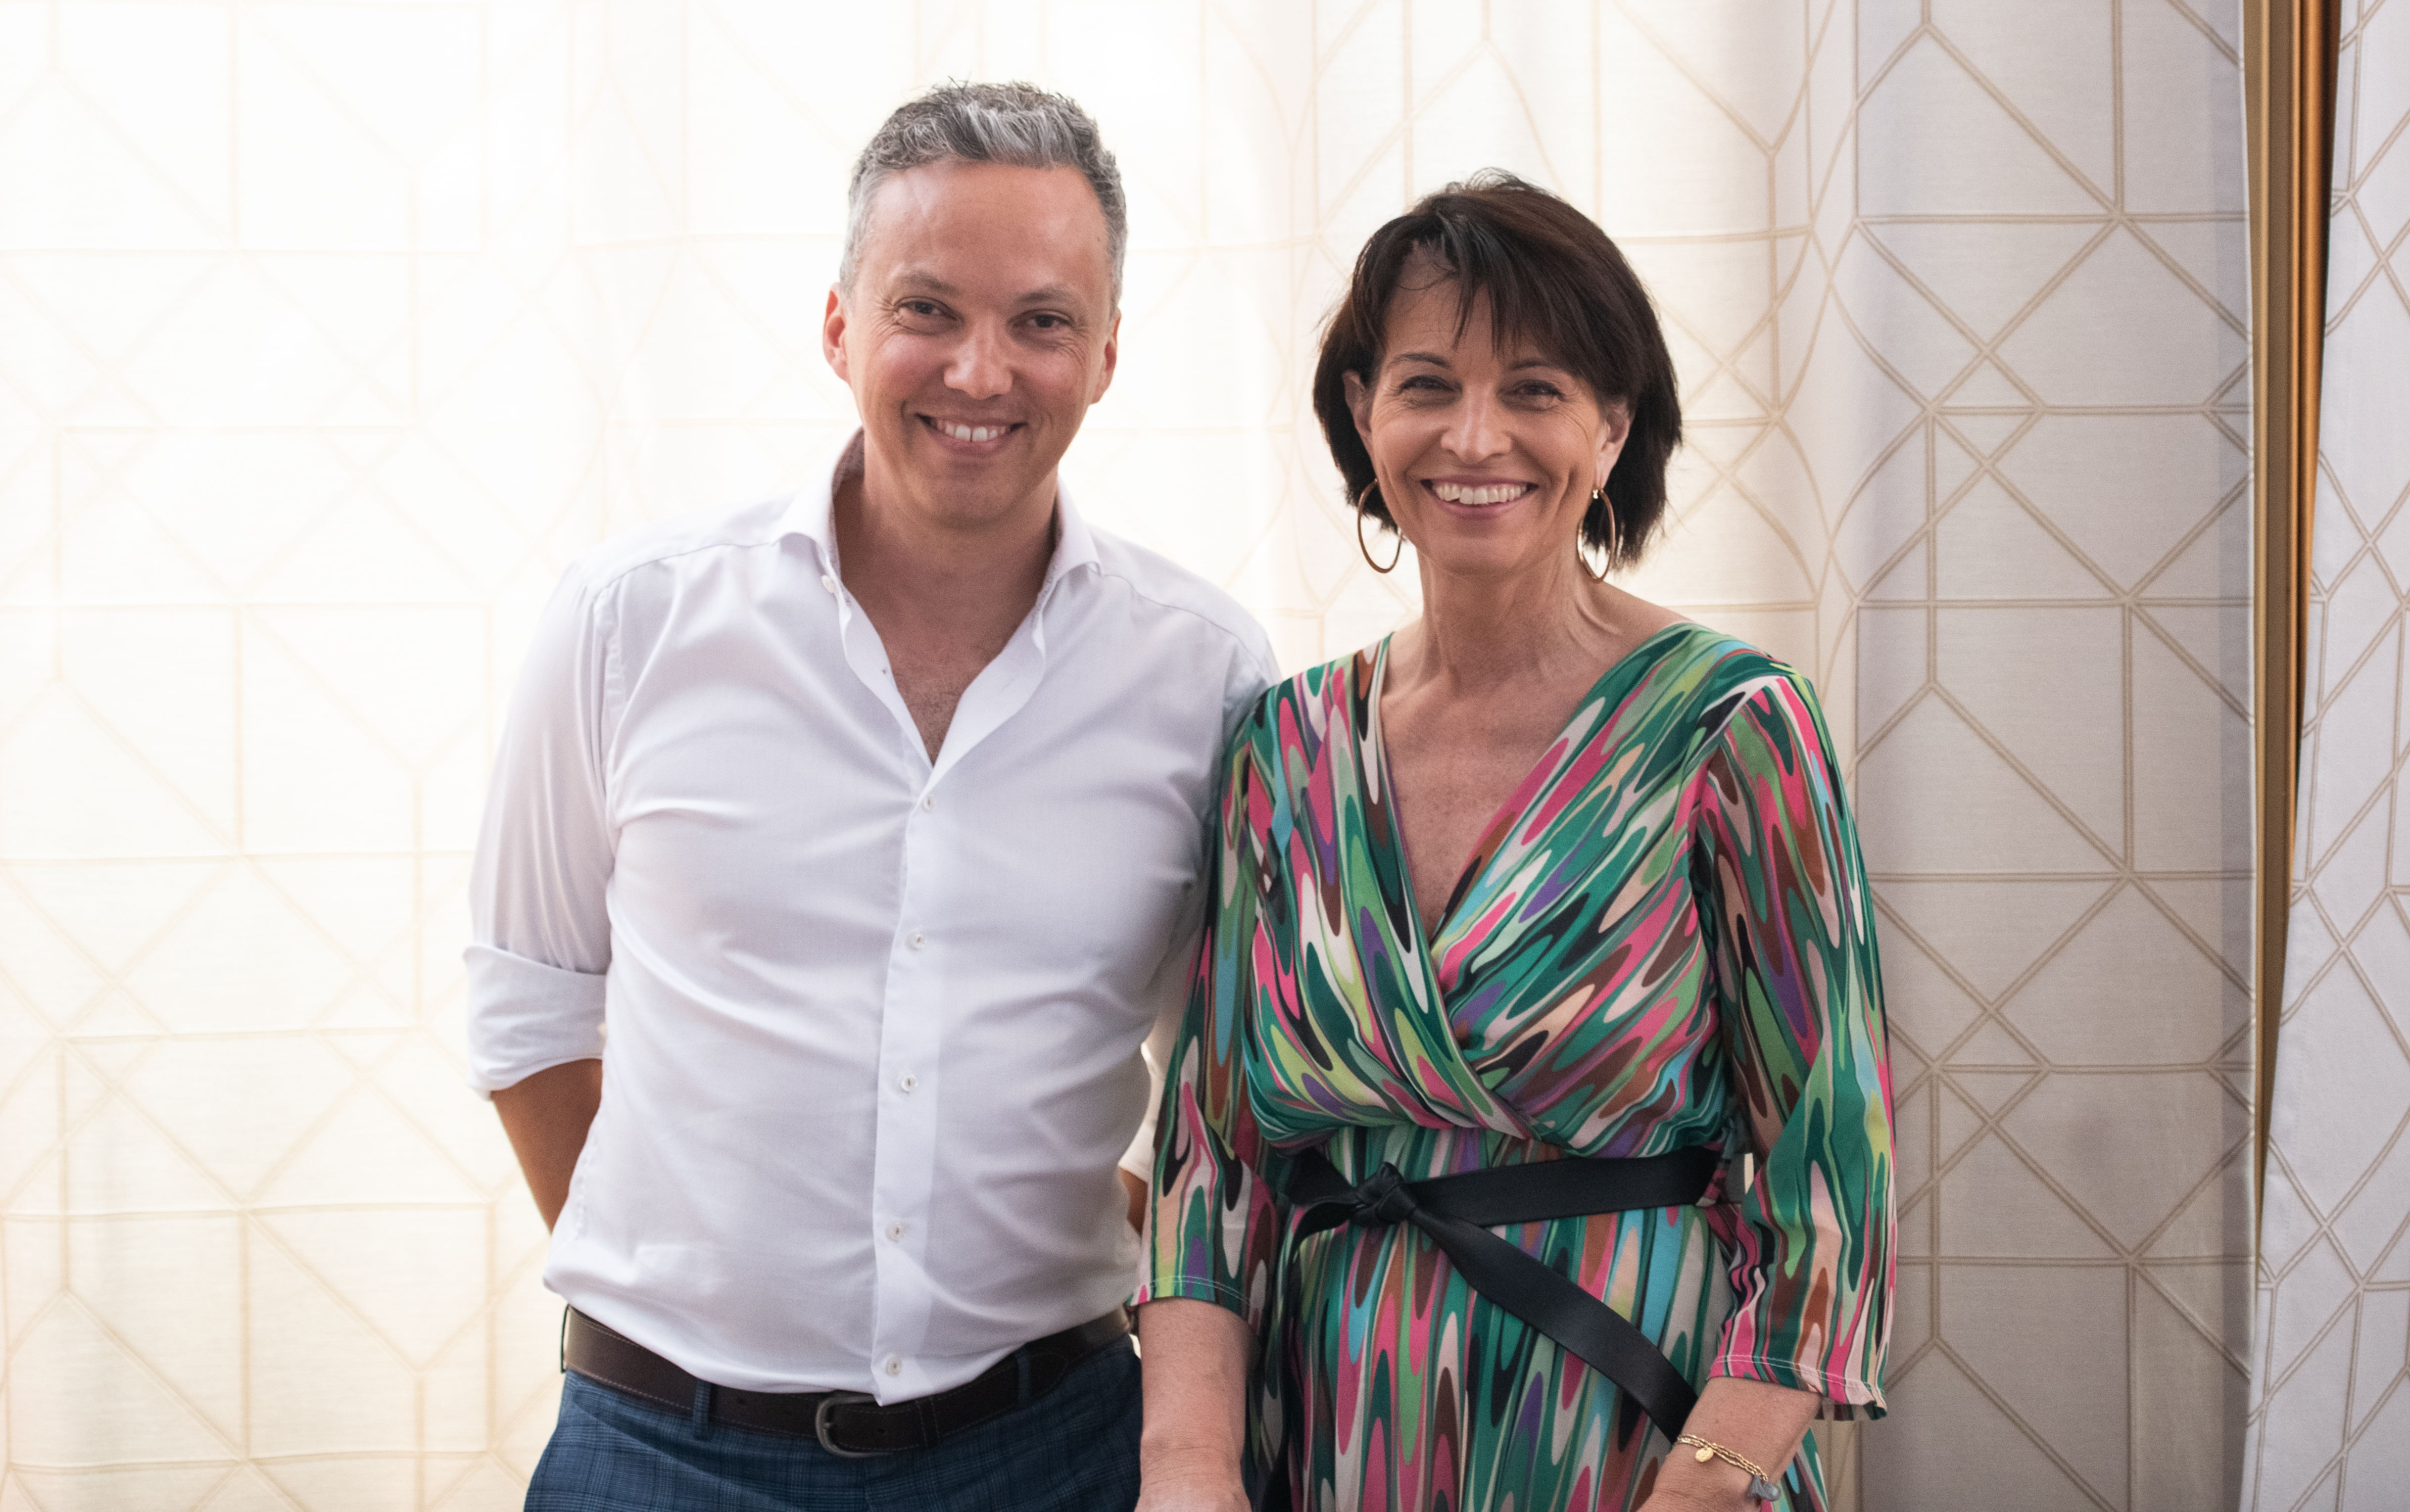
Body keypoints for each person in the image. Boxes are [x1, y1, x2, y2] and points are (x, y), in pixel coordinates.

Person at [464, 81, 1276, 1512]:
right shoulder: (626, 623)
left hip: (1056, 1446)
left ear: (1105, 356)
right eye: (927, 310)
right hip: (660, 1448)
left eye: (1040, 320)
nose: (980, 370)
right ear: (840, 327)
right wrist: (706, 1293)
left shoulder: (1207, 676)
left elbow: (1228, 1086)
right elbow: (530, 1005)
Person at [1134, 174, 1894, 1512]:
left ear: (1613, 429)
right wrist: (1189, 1476)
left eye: (1535, 389)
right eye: (1427, 384)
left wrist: (1704, 1489)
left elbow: (1828, 1189)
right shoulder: (1284, 746)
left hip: (1640, 1444)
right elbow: (1214, 1171)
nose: (1474, 436)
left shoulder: (1733, 725)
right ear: (1363, 412)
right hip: (1333, 1444)